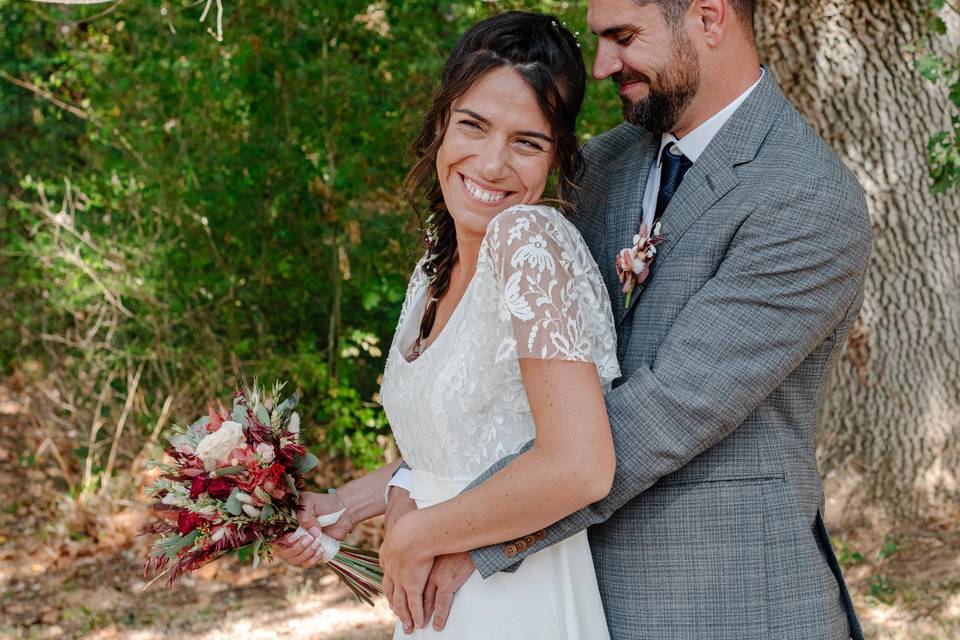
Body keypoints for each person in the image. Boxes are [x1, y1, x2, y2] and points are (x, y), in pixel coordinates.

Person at [287, 0, 873, 637]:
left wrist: (458, 530)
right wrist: (388, 490)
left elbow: (664, 414)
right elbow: (516, 401)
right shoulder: (603, 166)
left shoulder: (805, 197)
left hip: (720, 602)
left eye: (622, 37)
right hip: (565, 593)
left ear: (708, 17)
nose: (600, 67)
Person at [277, 11, 620, 639]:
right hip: (438, 602)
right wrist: (345, 506)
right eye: (473, 125)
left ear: (557, 157)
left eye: (527, 142)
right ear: (441, 123)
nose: (492, 164)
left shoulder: (529, 240)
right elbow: (456, 454)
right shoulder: (438, 257)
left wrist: (415, 533)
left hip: (519, 599)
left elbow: (580, 465)